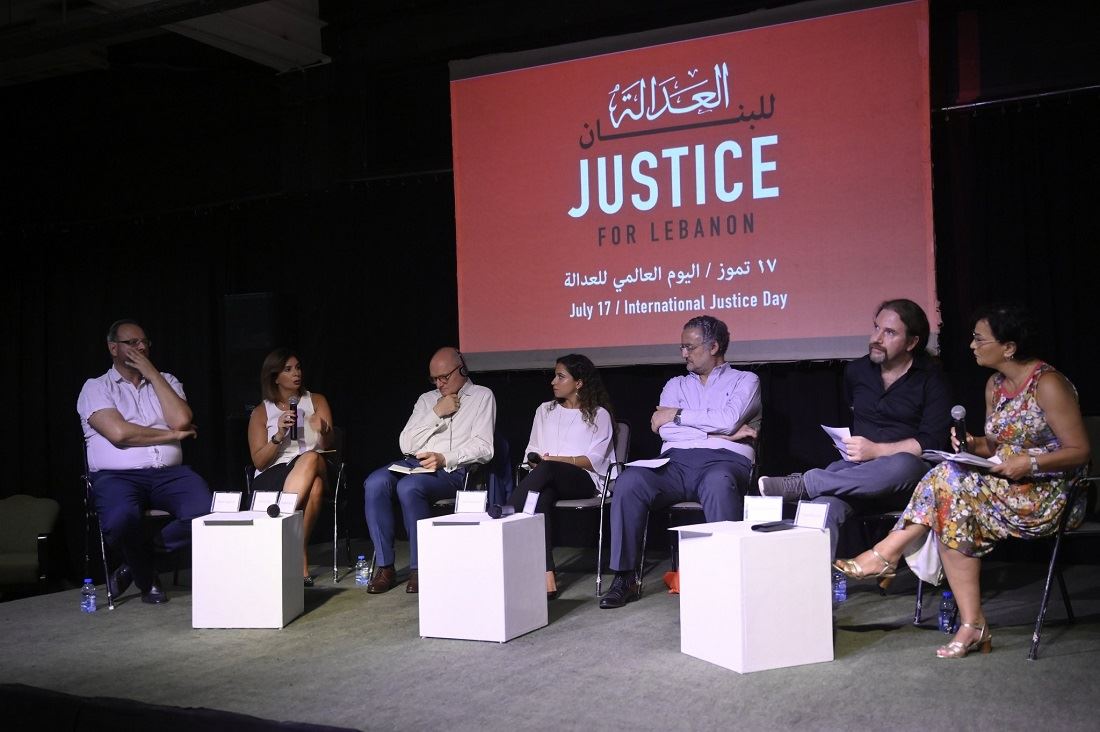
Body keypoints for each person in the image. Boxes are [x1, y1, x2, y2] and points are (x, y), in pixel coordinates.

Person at [834, 303, 1090, 658]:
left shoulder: (1047, 384)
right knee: (950, 499)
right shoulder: (995, 385)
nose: (972, 345)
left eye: (980, 339)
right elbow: (998, 444)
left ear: (1008, 347)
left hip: (1049, 494)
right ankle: (972, 624)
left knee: (947, 484)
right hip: (1004, 485)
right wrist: (973, 444)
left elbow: (1080, 451)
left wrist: (1030, 463)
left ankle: (887, 553)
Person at [757, 299, 953, 557]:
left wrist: (877, 450)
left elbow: (931, 441)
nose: (876, 338)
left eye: (889, 332)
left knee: (903, 464)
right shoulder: (857, 371)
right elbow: (852, 407)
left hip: (907, 481)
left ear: (912, 342)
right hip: (858, 476)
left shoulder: (931, 379)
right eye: (876, 328)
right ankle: (812, 577)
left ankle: (806, 483)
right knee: (824, 505)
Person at [600, 315, 762, 609]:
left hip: (724, 462)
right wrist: (719, 432)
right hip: (674, 462)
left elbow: (728, 419)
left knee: (718, 483)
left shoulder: (746, 380)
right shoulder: (675, 385)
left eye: (690, 347)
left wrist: (677, 415)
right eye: (682, 347)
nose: (684, 353)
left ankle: (726, 578)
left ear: (713, 347)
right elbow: (664, 430)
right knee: (629, 481)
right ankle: (625, 577)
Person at [77, 319, 212, 604]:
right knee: (120, 519)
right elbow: (120, 434)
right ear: (113, 348)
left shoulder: (167, 381)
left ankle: (138, 563)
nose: (140, 348)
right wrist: (172, 435)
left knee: (206, 510)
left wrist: (151, 373)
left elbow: (182, 419)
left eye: (144, 342)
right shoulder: (96, 387)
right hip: (117, 476)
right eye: (132, 343)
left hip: (169, 474)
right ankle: (147, 577)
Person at [362, 347, 496, 594]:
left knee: (409, 487)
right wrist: (436, 413)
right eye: (434, 379)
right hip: (416, 463)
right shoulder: (427, 400)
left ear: (462, 369)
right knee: (375, 482)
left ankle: (420, 567)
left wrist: (445, 458)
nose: (439, 384)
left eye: (444, 377)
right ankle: (385, 566)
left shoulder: (481, 396)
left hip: (453, 470)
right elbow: (406, 444)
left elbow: (484, 447)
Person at [508, 354, 616, 599]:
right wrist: (536, 460)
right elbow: (532, 448)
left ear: (579, 383)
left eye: (560, 377)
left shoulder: (598, 414)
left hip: (584, 480)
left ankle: (506, 511)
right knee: (542, 496)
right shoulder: (544, 410)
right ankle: (547, 574)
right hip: (546, 478)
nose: (553, 382)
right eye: (554, 376)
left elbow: (594, 459)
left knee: (547, 469)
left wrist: (554, 461)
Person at [247, 348, 336, 587]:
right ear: (275, 377)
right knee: (315, 487)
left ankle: (278, 527)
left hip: (316, 463)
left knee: (310, 457)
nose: (296, 373)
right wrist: (278, 435)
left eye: (298, 368)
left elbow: (328, 445)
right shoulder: (261, 412)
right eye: (288, 370)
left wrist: (323, 429)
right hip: (275, 473)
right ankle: (298, 554)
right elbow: (259, 462)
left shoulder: (316, 401)